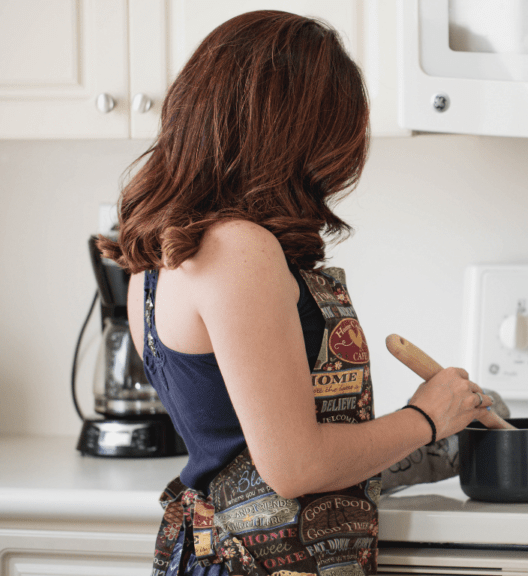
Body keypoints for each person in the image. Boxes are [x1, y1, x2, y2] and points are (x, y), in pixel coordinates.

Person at [97, 10, 499, 576]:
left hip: (216, 550)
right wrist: (426, 418)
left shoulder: (162, 257)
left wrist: (422, 441)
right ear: (293, 132)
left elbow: (239, 442)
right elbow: (293, 465)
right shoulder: (238, 248)